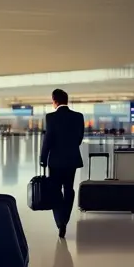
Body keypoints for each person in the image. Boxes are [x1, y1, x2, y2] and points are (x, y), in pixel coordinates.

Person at [39, 88, 84, 239]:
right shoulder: (78, 117)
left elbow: (48, 140)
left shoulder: (51, 117)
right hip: (72, 159)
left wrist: (43, 158)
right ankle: (65, 217)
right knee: (69, 188)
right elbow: (79, 138)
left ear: (55, 101)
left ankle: (60, 222)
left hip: (56, 161)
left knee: (55, 190)